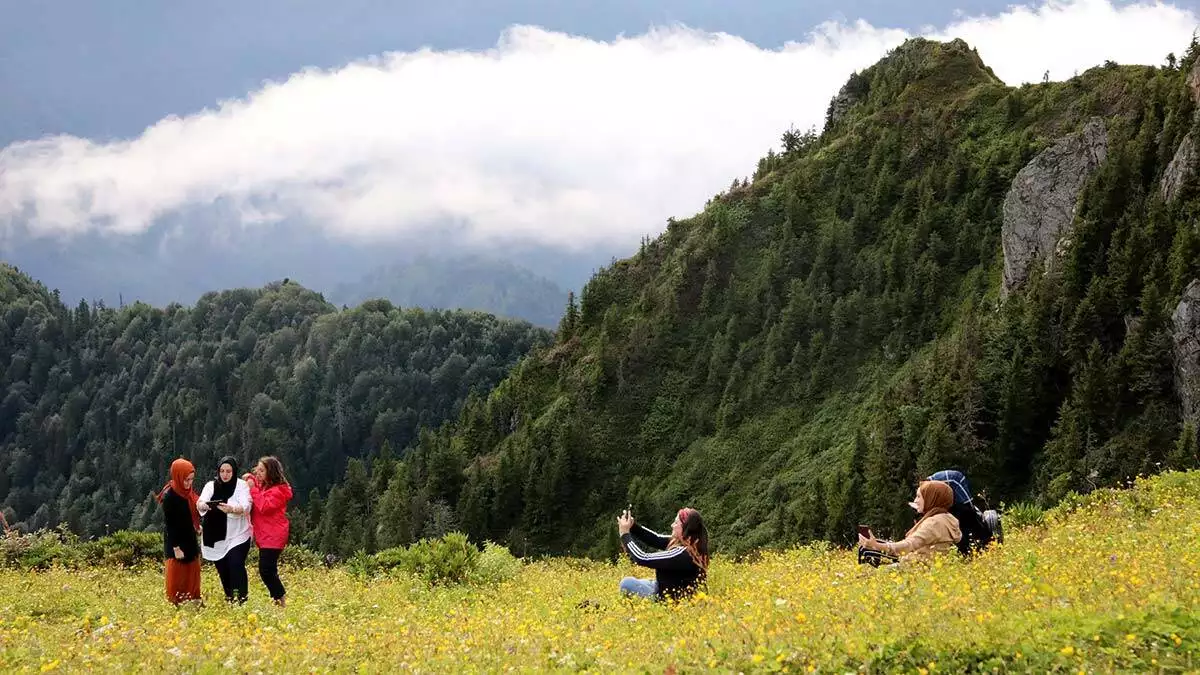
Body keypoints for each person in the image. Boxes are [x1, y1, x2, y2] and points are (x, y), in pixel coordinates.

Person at [616, 506, 709, 602]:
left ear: (685, 528)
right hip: (666, 588)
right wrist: (633, 527)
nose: (672, 525)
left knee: (626, 583)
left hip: (669, 600)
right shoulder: (690, 545)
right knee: (644, 581)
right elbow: (656, 539)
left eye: (676, 523)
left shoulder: (682, 554)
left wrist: (625, 535)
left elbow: (642, 558)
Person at [858, 481, 961, 565]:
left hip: (916, 569)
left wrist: (877, 546)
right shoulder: (946, 519)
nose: (915, 500)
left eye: (919, 496)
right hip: (926, 568)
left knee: (861, 578)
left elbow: (909, 545)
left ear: (931, 498)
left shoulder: (935, 522)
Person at [197, 456, 253, 604]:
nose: (225, 474)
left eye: (228, 471)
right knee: (223, 570)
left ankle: (241, 600)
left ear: (234, 472)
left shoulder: (241, 486)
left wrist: (232, 509)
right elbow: (200, 502)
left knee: (236, 565)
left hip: (238, 534)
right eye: (222, 471)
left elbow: (246, 506)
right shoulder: (211, 485)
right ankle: (230, 598)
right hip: (217, 536)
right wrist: (204, 506)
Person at [243, 456, 293, 607]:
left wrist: (252, 489)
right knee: (268, 569)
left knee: (266, 570)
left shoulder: (278, 491)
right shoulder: (266, 487)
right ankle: (278, 599)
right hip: (266, 535)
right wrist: (251, 479)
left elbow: (264, 506)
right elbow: (257, 485)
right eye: (257, 470)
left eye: (262, 470)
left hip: (274, 535)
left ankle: (280, 599)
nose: (258, 473)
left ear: (270, 472)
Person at [159, 458, 202, 605]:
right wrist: (176, 547)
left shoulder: (188, 493)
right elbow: (170, 525)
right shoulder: (169, 497)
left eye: (191, 479)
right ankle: (177, 603)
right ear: (177, 476)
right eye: (186, 480)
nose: (189, 483)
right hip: (175, 541)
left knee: (192, 571)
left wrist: (197, 526)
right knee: (178, 574)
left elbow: (192, 512)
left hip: (189, 536)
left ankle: (193, 601)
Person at [927, 469, 994, 555]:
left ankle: (984, 546)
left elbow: (967, 505)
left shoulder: (934, 487)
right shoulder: (933, 486)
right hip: (955, 499)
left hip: (959, 501)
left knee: (969, 520)